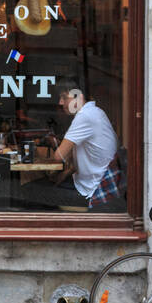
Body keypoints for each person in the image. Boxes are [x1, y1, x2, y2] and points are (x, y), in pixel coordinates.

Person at [47, 79, 124, 211]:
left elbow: (58, 156)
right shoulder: (96, 112)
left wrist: (52, 142)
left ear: (78, 96)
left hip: (93, 188)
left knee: (37, 193)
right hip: (100, 180)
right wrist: (66, 173)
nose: (60, 102)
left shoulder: (84, 116)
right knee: (50, 185)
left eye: (64, 97)